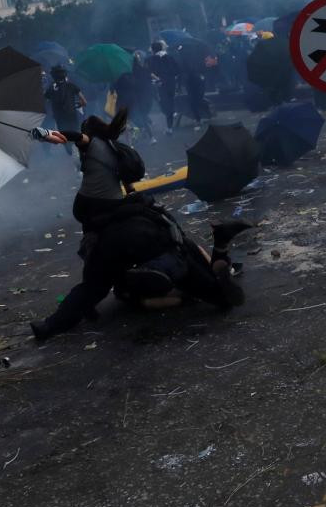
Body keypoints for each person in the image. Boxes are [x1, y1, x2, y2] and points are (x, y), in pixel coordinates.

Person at [28, 202, 252, 342]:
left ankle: (49, 325)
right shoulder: (121, 171)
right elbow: (185, 245)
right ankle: (220, 247)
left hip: (115, 249)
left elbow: (90, 288)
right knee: (214, 290)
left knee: (100, 290)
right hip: (156, 237)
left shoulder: (88, 199)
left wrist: (79, 312)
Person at [37, 108, 134, 227]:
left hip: (87, 204)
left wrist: (46, 134)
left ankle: (89, 241)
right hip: (115, 202)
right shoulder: (118, 148)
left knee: (87, 226)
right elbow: (129, 187)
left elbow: (75, 136)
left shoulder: (92, 143)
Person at [114, 52, 156, 144]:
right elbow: (140, 84)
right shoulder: (138, 70)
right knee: (140, 116)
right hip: (135, 98)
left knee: (126, 120)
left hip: (123, 100)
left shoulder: (119, 75)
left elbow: (114, 88)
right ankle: (151, 137)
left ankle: (131, 141)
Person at [44, 66, 86, 155]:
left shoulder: (51, 88)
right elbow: (84, 102)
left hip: (59, 117)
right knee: (76, 133)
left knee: (64, 136)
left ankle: (70, 152)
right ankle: (80, 153)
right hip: (72, 115)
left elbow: (45, 101)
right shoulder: (71, 86)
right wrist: (78, 104)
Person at [149, 40, 180, 135]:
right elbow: (177, 70)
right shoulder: (170, 57)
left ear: (153, 50)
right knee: (170, 101)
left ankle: (170, 125)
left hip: (160, 84)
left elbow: (150, 72)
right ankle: (171, 121)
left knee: (165, 104)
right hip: (171, 83)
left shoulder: (151, 59)